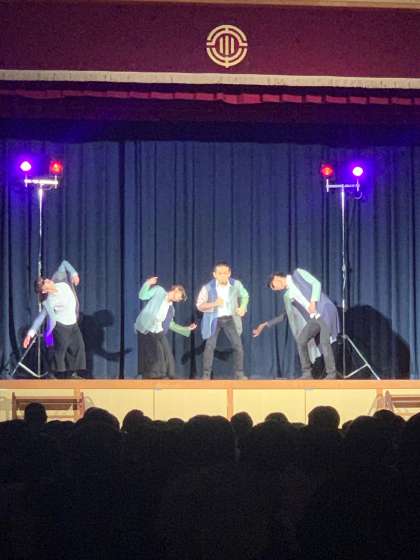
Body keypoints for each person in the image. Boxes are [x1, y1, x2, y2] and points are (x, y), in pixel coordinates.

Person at [253, 269, 339, 379]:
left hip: (325, 310)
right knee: (301, 340)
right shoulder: (289, 295)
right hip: (315, 318)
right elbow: (285, 315)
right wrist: (265, 324)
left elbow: (316, 284)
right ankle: (307, 373)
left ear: (276, 278)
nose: (275, 289)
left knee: (324, 342)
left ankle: (331, 374)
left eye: (273, 286)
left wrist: (313, 302)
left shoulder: (298, 274)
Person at [23, 260, 86, 379]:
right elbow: (41, 318)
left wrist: (74, 273)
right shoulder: (49, 301)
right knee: (60, 352)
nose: (47, 280)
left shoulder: (58, 279)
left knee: (78, 347)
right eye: (44, 283)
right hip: (61, 327)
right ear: (44, 290)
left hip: (73, 324)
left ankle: (72, 375)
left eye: (44, 279)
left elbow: (64, 263)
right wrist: (30, 334)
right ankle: (55, 376)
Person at [135, 276, 196, 379]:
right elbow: (142, 296)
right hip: (146, 326)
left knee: (167, 352)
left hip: (157, 329)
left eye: (180, 299)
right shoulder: (159, 291)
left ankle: (170, 374)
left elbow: (171, 324)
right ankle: (156, 375)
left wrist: (186, 329)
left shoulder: (171, 309)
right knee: (157, 352)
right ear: (176, 290)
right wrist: (148, 283)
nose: (179, 300)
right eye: (180, 296)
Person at [196, 261, 249, 379]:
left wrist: (242, 307)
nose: (223, 275)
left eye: (225, 273)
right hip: (214, 320)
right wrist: (214, 303)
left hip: (230, 319)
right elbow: (199, 305)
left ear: (229, 273)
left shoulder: (236, 284)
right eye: (220, 273)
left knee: (238, 346)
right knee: (210, 346)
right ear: (214, 274)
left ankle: (239, 373)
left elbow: (245, 295)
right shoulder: (208, 287)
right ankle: (206, 374)